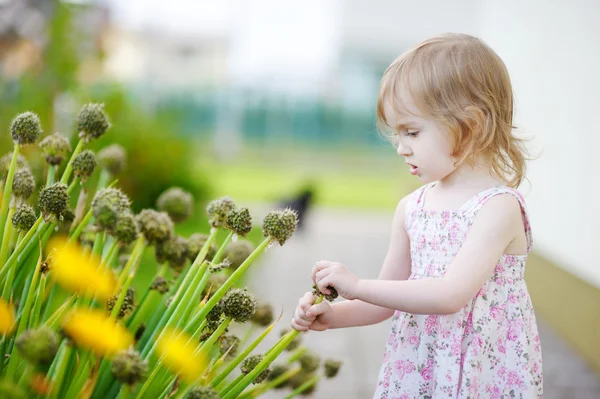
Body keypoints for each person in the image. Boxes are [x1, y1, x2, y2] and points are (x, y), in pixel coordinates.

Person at [291, 33, 543, 398]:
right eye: (397, 133)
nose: (399, 146)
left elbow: (449, 295)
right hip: (419, 368)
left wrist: (357, 284)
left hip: (481, 373)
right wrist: (333, 316)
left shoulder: (497, 208)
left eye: (412, 131)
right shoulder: (412, 208)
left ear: (469, 127)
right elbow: (384, 303)